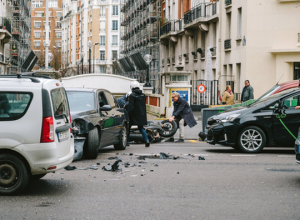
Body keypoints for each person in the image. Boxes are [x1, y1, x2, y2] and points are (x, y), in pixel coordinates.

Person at [126, 81, 150, 147]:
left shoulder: (132, 95)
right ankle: (147, 140)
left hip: (133, 114)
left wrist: (128, 114)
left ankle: (127, 142)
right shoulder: (143, 95)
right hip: (141, 114)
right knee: (141, 128)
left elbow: (131, 106)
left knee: (128, 128)